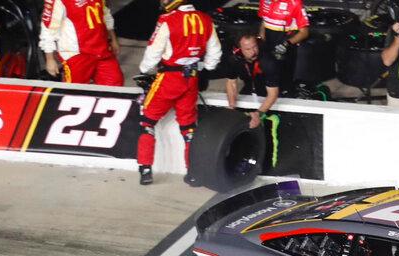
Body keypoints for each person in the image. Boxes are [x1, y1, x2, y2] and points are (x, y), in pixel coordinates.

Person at [136, 0, 222, 186]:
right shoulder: (205, 19)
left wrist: (144, 69)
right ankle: (193, 172)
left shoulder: (168, 19)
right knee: (189, 128)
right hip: (191, 79)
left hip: (169, 78)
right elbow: (215, 52)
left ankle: (145, 169)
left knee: (147, 122)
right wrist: (206, 67)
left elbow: (153, 51)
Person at [39, 0, 123, 86]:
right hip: (76, 55)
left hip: (102, 49)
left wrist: (113, 39)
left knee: (115, 85)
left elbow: (105, 15)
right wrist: (50, 59)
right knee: (75, 94)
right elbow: (48, 29)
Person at [221, 33, 280, 129]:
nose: (253, 52)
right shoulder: (235, 59)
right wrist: (232, 106)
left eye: (255, 47)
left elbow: (273, 93)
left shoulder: (268, 61)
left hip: (268, 94)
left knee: (268, 124)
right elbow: (231, 82)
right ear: (240, 49)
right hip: (249, 90)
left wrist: (259, 113)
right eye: (248, 49)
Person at [257, 0, 310, 96]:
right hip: (267, 48)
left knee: (285, 85)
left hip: (285, 50)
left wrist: (286, 44)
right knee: (266, 81)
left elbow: (304, 33)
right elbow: (264, 20)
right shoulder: (264, 1)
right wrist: (260, 37)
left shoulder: (295, 3)